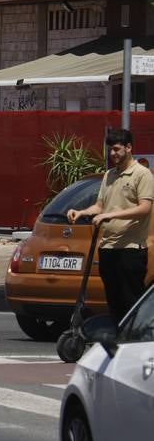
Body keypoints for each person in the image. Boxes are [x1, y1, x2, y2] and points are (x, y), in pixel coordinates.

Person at [66, 127, 154, 324]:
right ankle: (118, 343)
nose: (113, 154)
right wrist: (80, 212)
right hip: (108, 248)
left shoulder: (142, 174)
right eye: (110, 150)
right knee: (114, 302)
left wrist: (110, 215)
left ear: (129, 148)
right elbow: (99, 206)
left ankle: (135, 343)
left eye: (116, 149)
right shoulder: (109, 175)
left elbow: (144, 208)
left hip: (130, 250)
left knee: (131, 302)